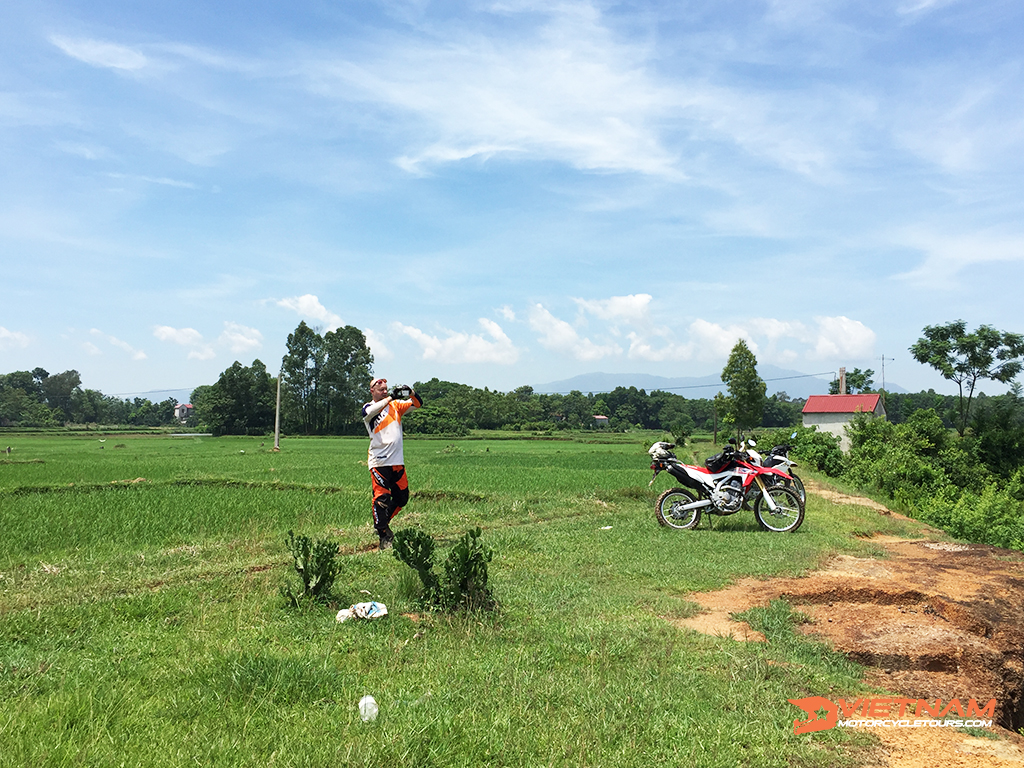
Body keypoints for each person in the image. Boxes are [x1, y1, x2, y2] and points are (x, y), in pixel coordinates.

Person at [361, 377, 422, 549]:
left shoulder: (396, 406)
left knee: (402, 498)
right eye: (380, 389)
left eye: (386, 389)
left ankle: (382, 522)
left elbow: (417, 404)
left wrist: (410, 392)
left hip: (397, 461)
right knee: (382, 498)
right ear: (372, 390)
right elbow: (368, 413)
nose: (384, 391)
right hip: (379, 462)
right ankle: (384, 534)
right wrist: (391, 398)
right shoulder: (368, 408)